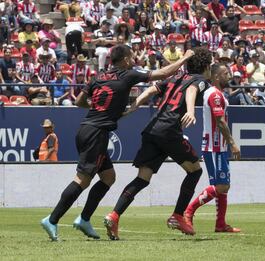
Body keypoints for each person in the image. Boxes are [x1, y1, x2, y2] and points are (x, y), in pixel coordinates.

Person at [40, 44, 196, 241]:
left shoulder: (97, 76)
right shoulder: (127, 74)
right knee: (82, 179)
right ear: (124, 60)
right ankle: (52, 220)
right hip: (96, 133)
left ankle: (84, 219)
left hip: (86, 129)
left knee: (108, 177)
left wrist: (99, 110)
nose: (133, 60)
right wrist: (185, 58)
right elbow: (164, 72)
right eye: (131, 56)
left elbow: (79, 101)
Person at [103, 47, 213, 240]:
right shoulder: (199, 80)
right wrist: (190, 110)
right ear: (205, 66)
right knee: (195, 171)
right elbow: (193, 90)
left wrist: (134, 106)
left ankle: (114, 215)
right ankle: (178, 215)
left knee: (142, 179)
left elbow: (151, 90)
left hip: (151, 130)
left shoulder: (173, 79)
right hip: (169, 130)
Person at [184, 63, 241, 233]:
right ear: (216, 76)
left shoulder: (217, 94)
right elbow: (220, 121)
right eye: (225, 73)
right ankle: (188, 211)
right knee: (222, 186)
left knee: (222, 186)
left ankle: (220, 224)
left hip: (217, 147)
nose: (229, 76)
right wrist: (232, 143)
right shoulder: (215, 95)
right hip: (214, 147)